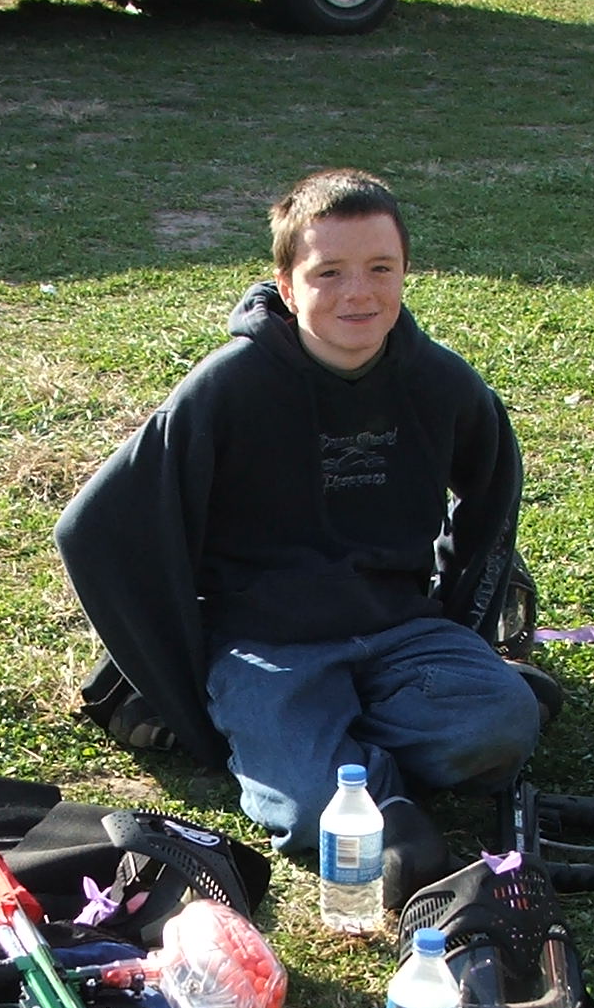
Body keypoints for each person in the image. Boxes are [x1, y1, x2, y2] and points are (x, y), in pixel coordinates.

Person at [56, 169, 541, 892]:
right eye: (329, 272)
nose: (359, 293)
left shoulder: (439, 380)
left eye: (381, 268)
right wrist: (176, 676)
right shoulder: (229, 384)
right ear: (287, 286)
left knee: (503, 727)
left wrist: (461, 617)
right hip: (269, 647)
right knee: (316, 811)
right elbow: (93, 528)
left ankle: (329, 733)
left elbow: (492, 491)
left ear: (406, 272)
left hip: (400, 629)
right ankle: (358, 778)